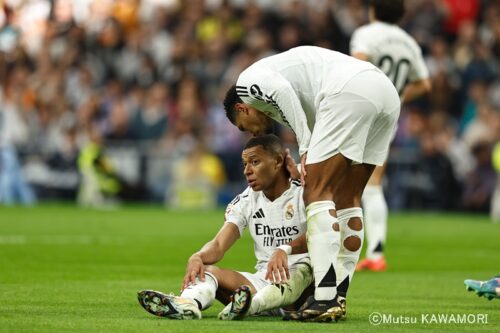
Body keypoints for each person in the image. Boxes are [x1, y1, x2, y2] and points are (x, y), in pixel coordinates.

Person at [223, 45, 400, 322]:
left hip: (348, 91)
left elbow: (282, 91)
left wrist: (304, 147)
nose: (253, 133)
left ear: (241, 108)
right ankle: (338, 296)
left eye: (245, 127)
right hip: (384, 93)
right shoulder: (288, 87)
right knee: (347, 198)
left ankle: (325, 296)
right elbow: (315, 124)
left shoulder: (247, 83)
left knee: (316, 194)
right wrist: (303, 151)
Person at [137, 134, 313, 320]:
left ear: (277, 161)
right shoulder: (245, 201)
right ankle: (187, 304)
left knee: (302, 269)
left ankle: (249, 306)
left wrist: (284, 249)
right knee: (205, 270)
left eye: (254, 162)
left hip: (304, 288)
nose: (247, 170)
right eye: (245, 164)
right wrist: (198, 256)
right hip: (263, 281)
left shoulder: (305, 191)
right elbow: (219, 244)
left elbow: (320, 235)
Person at [350, 0, 431, 272]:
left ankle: (336, 246)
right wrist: (397, 96)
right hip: (388, 115)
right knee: (373, 183)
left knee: (336, 176)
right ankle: (376, 252)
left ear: (373, 10)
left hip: (361, 110)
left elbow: (357, 66)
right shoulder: (409, 42)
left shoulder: (365, 34)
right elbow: (424, 83)